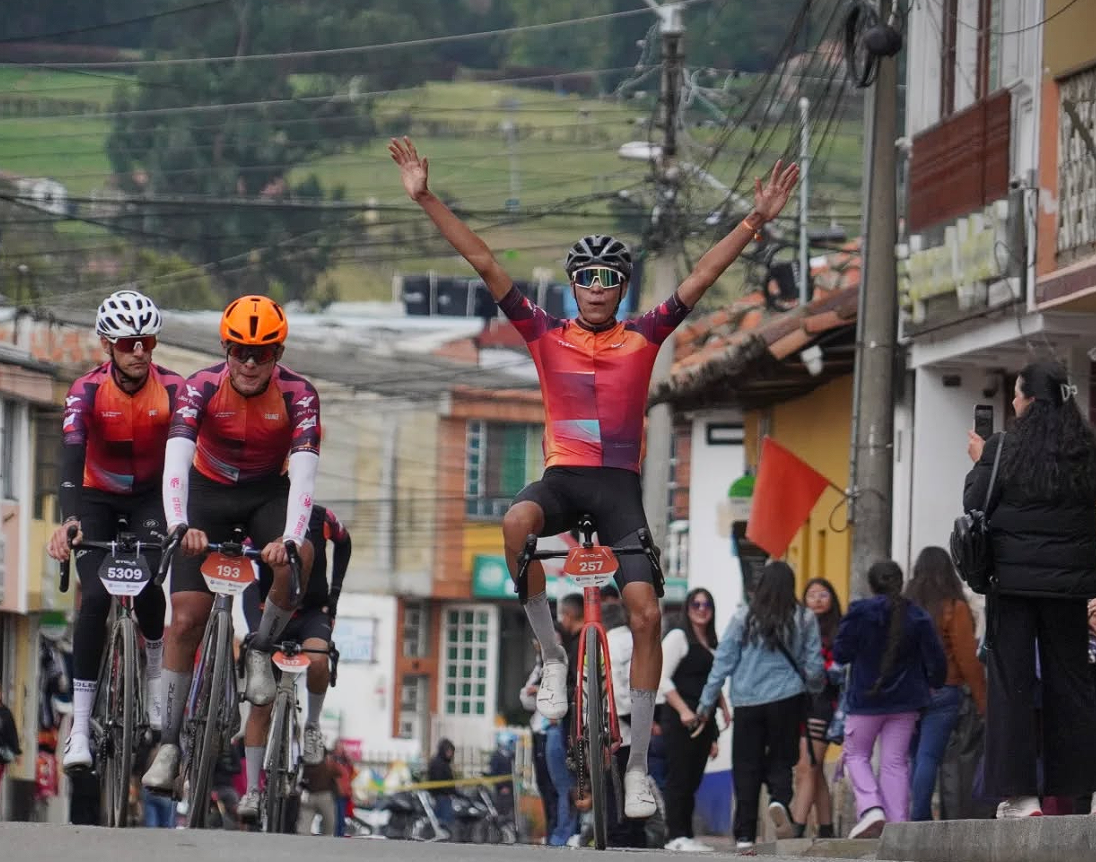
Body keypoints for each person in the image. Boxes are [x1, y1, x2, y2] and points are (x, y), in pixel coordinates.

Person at [390, 135, 798, 818]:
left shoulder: (644, 334)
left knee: (642, 615)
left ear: (623, 286)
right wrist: (427, 197)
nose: (600, 289)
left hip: (617, 488)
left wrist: (755, 221)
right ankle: (551, 656)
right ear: (575, 284)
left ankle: (637, 767)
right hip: (563, 478)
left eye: (611, 280)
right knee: (516, 522)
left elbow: (698, 278)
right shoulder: (545, 331)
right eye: (588, 278)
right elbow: (485, 261)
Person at [143, 295, 322, 792]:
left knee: (301, 553)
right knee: (185, 620)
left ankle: (260, 646)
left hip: (266, 493)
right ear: (225, 348)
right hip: (205, 494)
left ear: (277, 355)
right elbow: (175, 461)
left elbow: (305, 480)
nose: (248, 362)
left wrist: (287, 537)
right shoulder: (199, 388)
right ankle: (170, 744)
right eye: (239, 350)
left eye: (261, 353)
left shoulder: (300, 395)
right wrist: (179, 524)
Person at [45, 290, 186, 772]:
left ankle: (150, 674)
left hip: (149, 496)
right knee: (97, 598)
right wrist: (69, 521)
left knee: (147, 582)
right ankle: (79, 731)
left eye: (147, 339)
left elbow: (190, 458)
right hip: (96, 497)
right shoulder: (85, 391)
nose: (140, 351)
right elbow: (70, 456)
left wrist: (184, 514)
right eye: (128, 343)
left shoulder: (174, 389)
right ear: (108, 346)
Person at [964, 360, 1096, 818]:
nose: (1014, 403)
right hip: (1071, 589)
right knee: (1073, 687)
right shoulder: (1087, 452)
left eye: (1017, 395)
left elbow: (975, 504)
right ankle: (1085, 791)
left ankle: (1021, 798)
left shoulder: (1002, 450)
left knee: (1011, 686)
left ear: (1030, 400)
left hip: (1012, 588)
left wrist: (980, 461)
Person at [695, 563, 824, 850]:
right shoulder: (803, 618)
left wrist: (706, 704)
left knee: (746, 765)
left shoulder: (744, 617)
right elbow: (814, 667)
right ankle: (779, 799)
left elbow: (723, 661)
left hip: (748, 701)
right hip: (788, 698)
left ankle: (744, 836)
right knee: (782, 756)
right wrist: (813, 690)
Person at [237, 503, 349, 821]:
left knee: (318, 660)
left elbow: (345, 542)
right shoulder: (261, 517)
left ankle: (312, 725)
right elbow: (248, 581)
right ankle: (253, 792)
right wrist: (255, 632)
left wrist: (334, 599)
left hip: (312, 613)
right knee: (261, 705)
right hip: (269, 614)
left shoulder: (322, 517)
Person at [833, 560, 947, 838]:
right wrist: (934, 684)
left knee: (856, 754)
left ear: (871, 585)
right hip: (906, 703)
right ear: (901, 581)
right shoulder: (917, 616)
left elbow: (841, 653)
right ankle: (898, 827)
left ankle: (871, 807)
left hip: (866, 702)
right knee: (895, 762)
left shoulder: (859, 613)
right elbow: (937, 662)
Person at [903, 546, 986, 821]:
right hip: (944, 688)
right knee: (930, 756)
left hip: (908, 691)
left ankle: (918, 817)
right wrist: (982, 700)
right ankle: (919, 820)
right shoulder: (953, 607)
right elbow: (966, 658)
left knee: (915, 756)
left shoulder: (905, 607)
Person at [658, 588, 728, 852]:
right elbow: (661, 677)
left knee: (694, 778)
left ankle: (685, 833)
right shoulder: (678, 637)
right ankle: (675, 834)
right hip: (679, 719)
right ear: (688, 608)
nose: (702, 609)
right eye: (696, 604)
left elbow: (712, 681)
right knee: (680, 777)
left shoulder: (712, 642)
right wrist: (683, 710)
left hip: (704, 722)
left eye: (707, 604)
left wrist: (723, 705)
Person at [790, 578, 843, 838]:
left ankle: (796, 828)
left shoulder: (839, 631)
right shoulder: (798, 629)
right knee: (816, 768)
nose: (818, 599)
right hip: (801, 704)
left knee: (807, 766)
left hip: (824, 704)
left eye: (824, 593)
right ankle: (826, 829)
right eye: (812, 594)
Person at [519, 644, 559, 841]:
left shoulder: (560, 661)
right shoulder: (539, 667)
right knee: (543, 784)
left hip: (553, 729)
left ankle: (560, 830)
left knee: (556, 785)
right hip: (539, 730)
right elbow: (525, 698)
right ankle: (551, 830)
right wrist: (534, 691)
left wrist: (540, 690)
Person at [428, 737, 457, 828]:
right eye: (448, 751)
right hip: (441, 797)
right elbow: (438, 780)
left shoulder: (444, 763)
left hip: (445, 796)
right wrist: (449, 791)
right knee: (444, 822)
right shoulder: (438, 763)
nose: (450, 753)